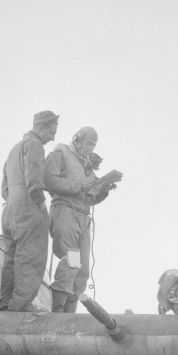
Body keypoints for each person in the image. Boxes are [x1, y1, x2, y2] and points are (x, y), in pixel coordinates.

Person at [44, 126, 117, 313]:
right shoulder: (60, 154)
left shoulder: (87, 165)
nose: (91, 148)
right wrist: (78, 184)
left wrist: (103, 189)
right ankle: (58, 313)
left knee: (82, 269)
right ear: (77, 139)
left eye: (94, 145)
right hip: (66, 213)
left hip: (82, 218)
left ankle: (69, 316)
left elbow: (89, 198)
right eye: (88, 143)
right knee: (72, 261)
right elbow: (47, 180)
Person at [0, 111, 59, 312]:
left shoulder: (14, 149)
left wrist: (13, 203)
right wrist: (40, 204)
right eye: (51, 131)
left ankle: (5, 304)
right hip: (28, 206)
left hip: (10, 209)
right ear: (41, 127)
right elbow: (33, 180)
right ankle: (21, 305)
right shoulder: (35, 145)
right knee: (31, 257)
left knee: (11, 258)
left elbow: (4, 188)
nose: (53, 137)